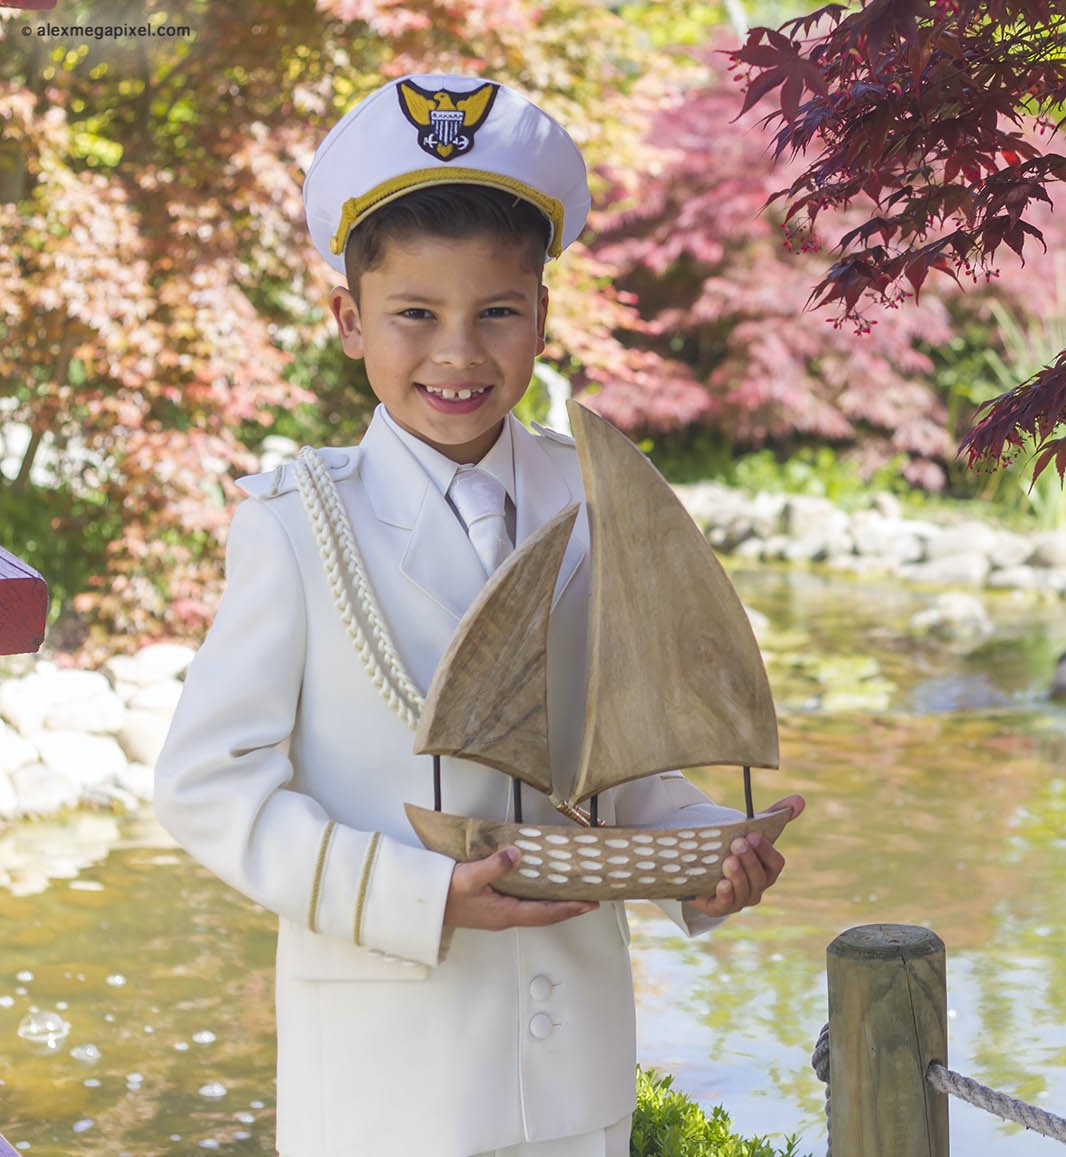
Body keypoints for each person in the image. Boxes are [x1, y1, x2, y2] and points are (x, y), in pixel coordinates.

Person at [153, 73, 803, 1157]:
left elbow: (622, 759)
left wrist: (706, 852)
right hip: (387, 1084)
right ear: (347, 320)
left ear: (542, 316)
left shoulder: (591, 502)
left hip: (571, 1081)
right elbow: (209, 786)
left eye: (496, 311)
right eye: (416, 313)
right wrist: (421, 894)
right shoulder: (298, 523)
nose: (458, 351)